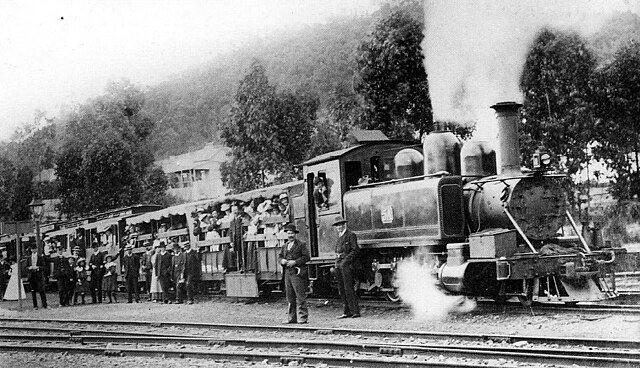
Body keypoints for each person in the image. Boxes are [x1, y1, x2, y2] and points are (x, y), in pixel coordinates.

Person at [278, 223, 310, 324]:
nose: (290, 235)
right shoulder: (284, 246)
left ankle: (303, 317)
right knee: (290, 297)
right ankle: (291, 318)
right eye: (288, 233)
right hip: (287, 273)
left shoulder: (301, 245)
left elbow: (306, 257)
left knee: (300, 296)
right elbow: (279, 257)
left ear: (295, 234)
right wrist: (282, 261)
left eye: (292, 233)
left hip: (297, 272)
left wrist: (295, 262)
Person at [332, 216, 361, 319]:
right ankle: (346, 311)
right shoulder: (339, 237)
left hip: (347, 264)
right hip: (339, 263)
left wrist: (346, 260)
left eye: (340, 225)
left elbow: (355, 250)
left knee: (348, 287)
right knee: (341, 288)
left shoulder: (350, 235)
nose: (338, 227)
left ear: (344, 225)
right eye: (337, 226)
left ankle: (355, 311)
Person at [24, 244, 48, 309]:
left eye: (35, 249)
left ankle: (44, 305)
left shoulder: (40, 257)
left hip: (38, 275)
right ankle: (35, 306)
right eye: (32, 249)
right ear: (31, 250)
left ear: (36, 249)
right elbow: (25, 267)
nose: (33, 250)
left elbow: (44, 267)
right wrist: (29, 268)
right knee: (33, 291)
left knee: (41, 290)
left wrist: (38, 267)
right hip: (32, 276)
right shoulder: (28, 258)